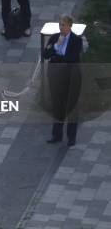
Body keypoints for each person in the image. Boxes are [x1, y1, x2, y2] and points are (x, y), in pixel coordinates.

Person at [43, 15, 83, 147]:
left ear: (70, 26)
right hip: (56, 76)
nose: (61, 27)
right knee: (57, 105)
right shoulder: (55, 38)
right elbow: (46, 54)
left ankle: (71, 137)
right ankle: (57, 135)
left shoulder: (76, 40)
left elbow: (71, 58)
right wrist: (56, 47)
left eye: (64, 25)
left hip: (70, 76)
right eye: (60, 24)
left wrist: (56, 56)